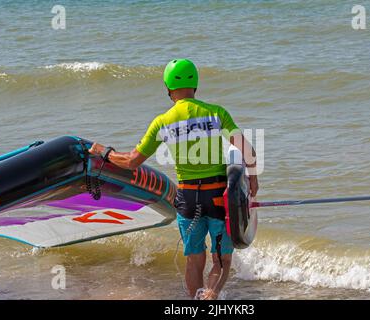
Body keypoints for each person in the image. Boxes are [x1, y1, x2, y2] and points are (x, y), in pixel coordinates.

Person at [89, 59, 258, 300]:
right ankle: (210, 295)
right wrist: (252, 178)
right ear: (196, 84)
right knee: (221, 259)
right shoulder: (216, 113)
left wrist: (104, 152)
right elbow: (247, 150)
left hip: (188, 200)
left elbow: (132, 161)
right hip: (219, 197)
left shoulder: (162, 122)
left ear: (168, 88)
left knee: (194, 260)